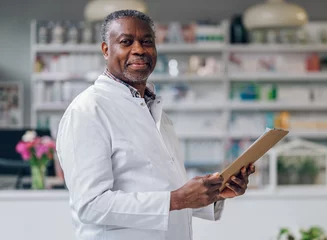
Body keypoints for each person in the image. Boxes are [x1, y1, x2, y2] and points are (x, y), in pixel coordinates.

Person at [56, 9, 255, 240]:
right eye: (126, 42)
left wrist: (216, 193)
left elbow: (165, 190)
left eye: (147, 42)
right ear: (105, 49)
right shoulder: (88, 111)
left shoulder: (157, 114)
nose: (139, 49)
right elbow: (91, 205)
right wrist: (177, 199)